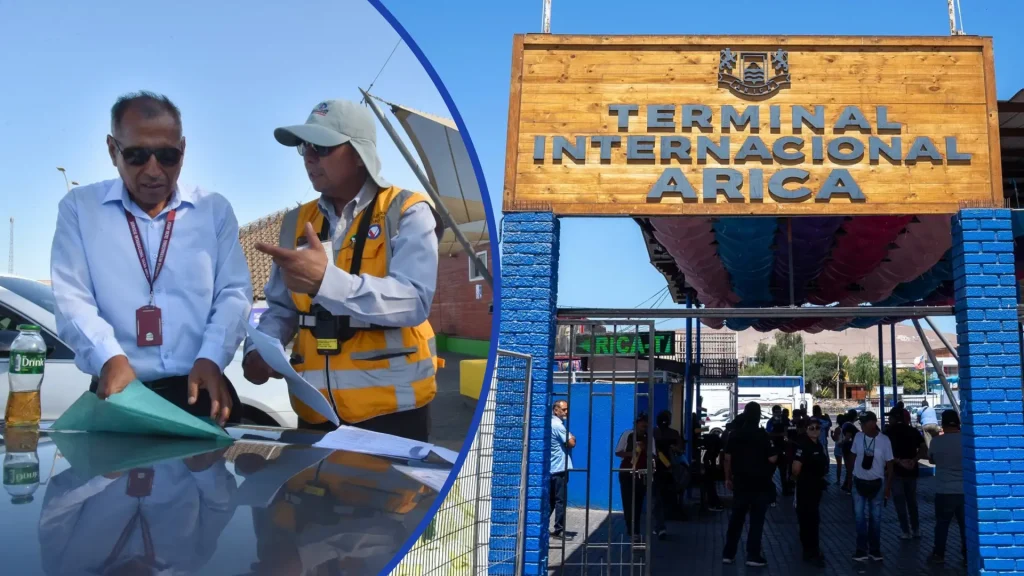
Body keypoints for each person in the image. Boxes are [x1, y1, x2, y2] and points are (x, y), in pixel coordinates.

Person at [242, 99, 444, 441]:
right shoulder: (295, 221)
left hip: (393, 415)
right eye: (305, 148)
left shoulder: (407, 210)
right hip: (314, 411)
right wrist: (259, 349)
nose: (309, 157)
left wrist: (325, 282)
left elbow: (413, 301)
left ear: (359, 153)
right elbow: (281, 308)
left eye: (321, 147)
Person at [50, 91, 252, 426]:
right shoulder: (79, 209)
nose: (153, 170)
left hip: (198, 388)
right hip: (119, 391)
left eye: (167, 156)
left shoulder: (213, 211)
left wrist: (213, 357)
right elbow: (72, 298)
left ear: (183, 150)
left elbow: (234, 293)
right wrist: (108, 357)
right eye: (137, 155)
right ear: (113, 150)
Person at [722, 402, 776, 568]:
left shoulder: (735, 435)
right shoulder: (764, 436)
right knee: (756, 521)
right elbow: (773, 458)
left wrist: (728, 478)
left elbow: (727, 459)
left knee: (736, 520)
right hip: (760, 484)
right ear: (759, 415)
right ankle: (753, 555)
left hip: (740, 483)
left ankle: (728, 554)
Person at [850, 411, 894, 562]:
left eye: (864, 422)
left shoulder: (884, 440)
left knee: (876, 518)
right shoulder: (858, 437)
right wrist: (849, 477)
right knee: (859, 517)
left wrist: (888, 487)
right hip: (859, 481)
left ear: (873, 422)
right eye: (860, 422)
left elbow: (890, 464)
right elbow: (853, 455)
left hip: (877, 483)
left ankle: (875, 550)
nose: (861, 425)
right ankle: (861, 550)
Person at [928, 410, 966, 567]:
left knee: (942, 525)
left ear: (942, 424)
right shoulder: (966, 440)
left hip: (944, 491)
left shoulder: (936, 442)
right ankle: (967, 554)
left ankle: (939, 554)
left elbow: (931, 459)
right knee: (965, 526)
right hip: (964, 492)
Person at [792, 416, 828, 566]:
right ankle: (809, 550)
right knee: (806, 520)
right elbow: (795, 468)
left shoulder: (818, 445)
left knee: (814, 520)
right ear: (806, 430)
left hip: (816, 488)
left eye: (817, 428)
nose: (815, 431)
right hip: (805, 488)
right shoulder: (803, 445)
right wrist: (801, 481)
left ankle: (813, 548)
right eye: (811, 428)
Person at [885, 407, 926, 539]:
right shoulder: (913, 431)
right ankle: (916, 529)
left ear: (894, 418)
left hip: (896, 471)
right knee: (912, 502)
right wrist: (914, 460)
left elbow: (886, 453)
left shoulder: (888, 432)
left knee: (899, 502)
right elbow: (923, 447)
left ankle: (905, 531)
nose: (888, 419)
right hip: (912, 471)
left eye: (890, 417)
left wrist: (899, 461)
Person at [616, 414, 651, 542]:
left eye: (646, 424)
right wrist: (633, 453)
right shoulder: (628, 435)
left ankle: (635, 528)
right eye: (642, 424)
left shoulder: (649, 437)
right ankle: (631, 529)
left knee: (638, 502)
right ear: (636, 424)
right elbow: (618, 452)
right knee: (628, 502)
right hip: (627, 472)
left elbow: (653, 455)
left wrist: (645, 449)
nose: (644, 427)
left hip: (642, 473)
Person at [653, 410, 683, 532]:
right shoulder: (674, 434)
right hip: (669, 470)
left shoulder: (653, 433)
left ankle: (660, 525)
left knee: (656, 498)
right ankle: (664, 521)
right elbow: (680, 450)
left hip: (655, 469)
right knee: (668, 496)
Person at [550, 400, 575, 538]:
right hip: (559, 468)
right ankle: (559, 530)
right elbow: (571, 443)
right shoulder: (558, 425)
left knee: (551, 500)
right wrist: (572, 437)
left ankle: (539, 525)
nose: (566, 412)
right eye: (563, 410)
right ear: (555, 410)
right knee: (560, 500)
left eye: (566, 409)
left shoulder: (550, 423)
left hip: (552, 467)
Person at [766, 405, 791, 497]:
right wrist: (780, 434)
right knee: (770, 472)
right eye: (776, 411)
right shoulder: (770, 422)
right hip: (773, 450)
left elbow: (788, 432)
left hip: (783, 449)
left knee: (784, 471)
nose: (778, 413)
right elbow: (769, 433)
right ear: (773, 412)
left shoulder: (784, 421)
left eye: (779, 411)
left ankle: (785, 490)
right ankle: (770, 491)